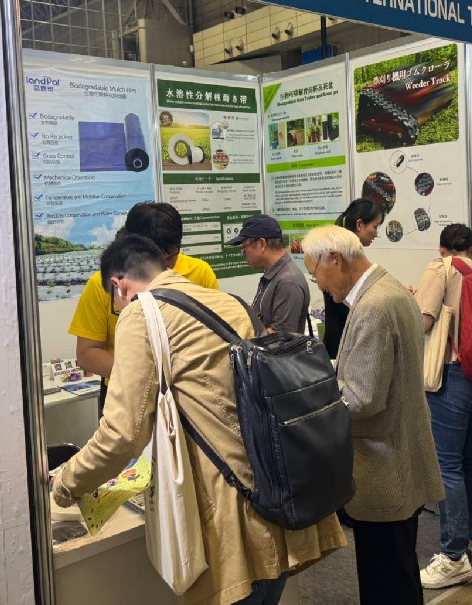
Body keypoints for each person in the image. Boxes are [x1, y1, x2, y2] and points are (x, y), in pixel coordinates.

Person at [51, 233, 345, 605]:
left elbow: (122, 433)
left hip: (233, 514)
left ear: (118, 285)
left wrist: (66, 483)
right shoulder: (229, 301)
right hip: (279, 493)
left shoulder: (141, 313)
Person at [302, 225, 443, 604]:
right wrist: (332, 368)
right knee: (400, 573)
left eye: (316, 273)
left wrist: (310, 402)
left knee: (385, 581)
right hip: (401, 454)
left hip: (382, 465)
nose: (319, 284)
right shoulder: (391, 290)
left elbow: (362, 399)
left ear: (335, 259)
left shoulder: (372, 308)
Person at [413, 224, 472, 588]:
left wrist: (412, 303)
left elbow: (423, 322)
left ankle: (453, 557)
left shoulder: (441, 268)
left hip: (455, 375)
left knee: (447, 465)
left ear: (442, 248)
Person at [67, 202, 218, 408]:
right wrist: (146, 377)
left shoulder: (200, 272)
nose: (161, 270)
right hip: (127, 393)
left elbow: (212, 338)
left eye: (170, 258)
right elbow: (87, 353)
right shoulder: (102, 284)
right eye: (152, 259)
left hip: (188, 393)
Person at [226, 214, 310, 334]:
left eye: (244, 249)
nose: (244, 255)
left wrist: (241, 338)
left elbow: (282, 336)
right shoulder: (273, 274)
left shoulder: (288, 282)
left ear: (261, 244)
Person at [323, 198, 385, 358]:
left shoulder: (349, 256)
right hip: (342, 344)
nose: (376, 233)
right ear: (359, 224)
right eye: (375, 226)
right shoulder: (342, 257)